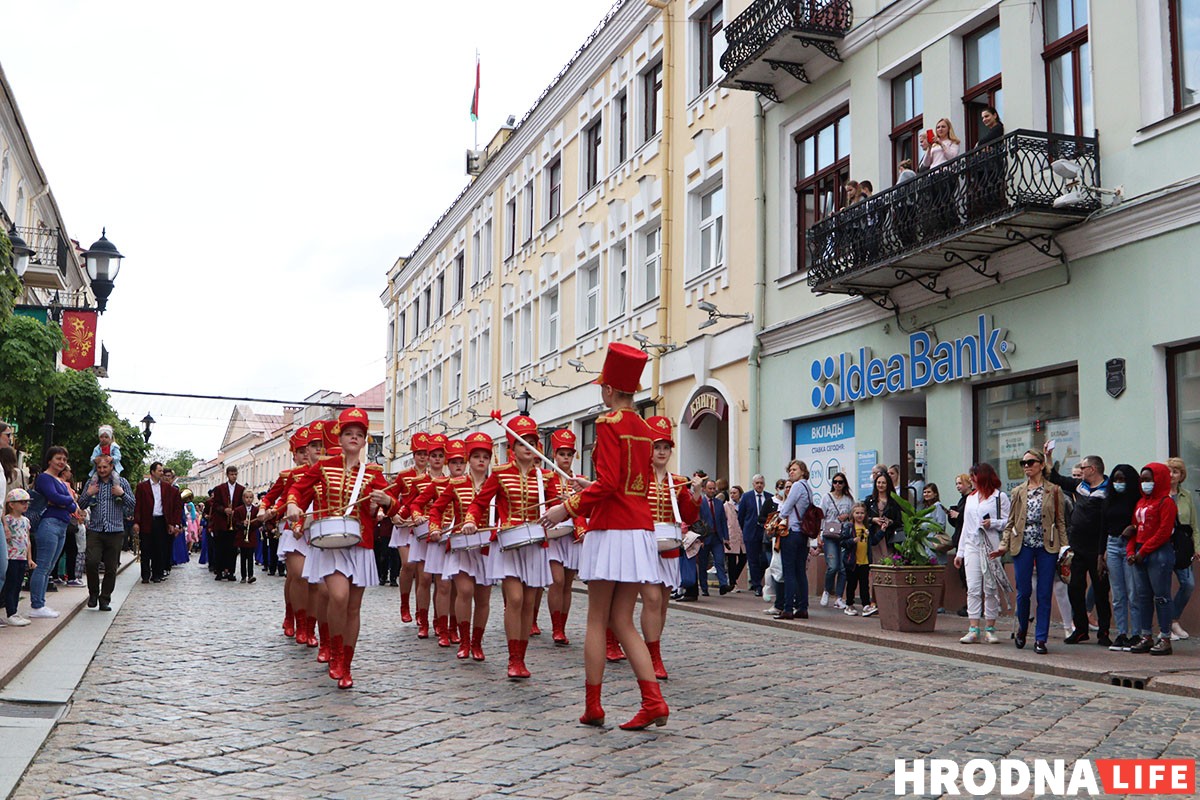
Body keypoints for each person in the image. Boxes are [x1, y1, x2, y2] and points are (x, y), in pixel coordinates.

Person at [542, 342, 668, 730]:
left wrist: (567, 507)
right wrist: (591, 485)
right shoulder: (645, 429)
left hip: (611, 528)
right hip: (637, 528)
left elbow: (611, 482)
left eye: (602, 388)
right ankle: (653, 701)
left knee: (597, 619)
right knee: (623, 620)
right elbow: (626, 482)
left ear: (610, 390)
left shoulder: (608, 423)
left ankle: (594, 706)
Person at [286, 407, 395, 688]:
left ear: (365, 440)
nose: (354, 437)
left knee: (353, 608)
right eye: (349, 433)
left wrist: (386, 502)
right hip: (330, 544)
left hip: (360, 545)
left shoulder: (374, 473)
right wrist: (293, 504)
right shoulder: (324, 466)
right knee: (338, 596)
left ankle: (346, 664)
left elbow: (395, 505)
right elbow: (298, 489)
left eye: (359, 434)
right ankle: (334, 651)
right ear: (340, 437)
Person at [460, 416, 556, 680]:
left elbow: (558, 506)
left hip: (535, 545)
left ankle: (521, 658)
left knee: (528, 603)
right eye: (523, 442)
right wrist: (470, 520)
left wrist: (567, 502)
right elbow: (479, 503)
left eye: (533, 442)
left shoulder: (545, 477)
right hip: (508, 544)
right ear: (513, 447)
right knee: (514, 599)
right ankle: (512, 659)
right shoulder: (501, 474)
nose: (529, 447)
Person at [639, 416, 699, 680]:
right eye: (657, 447)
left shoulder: (678, 481)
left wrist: (696, 494)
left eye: (666, 447)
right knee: (651, 600)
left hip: (669, 548)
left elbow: (689, 515)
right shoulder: (640, 478)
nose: (662, 452)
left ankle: (652, 649)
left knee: (662, 603)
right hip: (643, 546)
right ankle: (652, 656)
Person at [428, 432, 496, 661]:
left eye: (485, 457)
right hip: (460, 546)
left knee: (483, 598)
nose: (481, 461)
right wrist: (435, 528)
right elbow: (436, 508)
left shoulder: (496, 485)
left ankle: (477, 643)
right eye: (476, 456)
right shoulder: (457, 484)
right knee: (465, 591)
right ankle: (464, 641)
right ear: (469, 459)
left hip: (485, 549)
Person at [994, 451, 1066, 655]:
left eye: (1030, 462)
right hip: (1022, 544)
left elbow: (1060, 521)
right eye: (1023, 463)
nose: (1026, 466)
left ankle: (1041, 638)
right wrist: (1003, 545)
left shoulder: (1054, 490)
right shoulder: (1018, 491)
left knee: (1044, 592)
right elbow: (1011, 522)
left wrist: (1065, 547)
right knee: (1024, 591)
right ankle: (1023, 627)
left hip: (1047, 545)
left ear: (1041, 465)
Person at [1045, 444, 1112, 646]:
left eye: (1083, 467)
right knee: (1075, 588)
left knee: (1100, 591)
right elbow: (1055, 478)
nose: (1080, 471)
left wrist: (1105, 549)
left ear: (1092, 469)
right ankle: (1081, 630)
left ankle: (1104, 632)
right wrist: (1049, 457)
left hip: (1098, 548)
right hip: (1077, 546)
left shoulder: (1108, 490)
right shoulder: (1080, 486)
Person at [956, 462, 1009, 644]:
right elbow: (966, 526)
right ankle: (973, 628)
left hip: (991, 545)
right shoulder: (971, 498)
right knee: (973, 588)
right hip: (972, 544)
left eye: (974, 476)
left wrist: (993, 523)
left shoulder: (999, 497)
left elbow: (1009, 521)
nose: (972, 480)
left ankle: (990, 628)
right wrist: (960, 552)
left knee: (990, 587)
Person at [1127, 463, 1177, 655]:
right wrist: (1131, 551)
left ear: (1159, 480)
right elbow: (1134, 528)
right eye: (1142, 480)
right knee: (1143, 597)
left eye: (1148, 480)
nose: (1145, 483)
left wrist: (1144, 551)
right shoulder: (1141, 502)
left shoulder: (1166, 502)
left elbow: (1164, 532)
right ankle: (1146, 635)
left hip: (1158, 553)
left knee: (1162, 596)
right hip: (1140, 552)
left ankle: (1165, 637)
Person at [78, 455, 134, 612]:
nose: (102, 470)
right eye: (99, 467)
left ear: (111, 467)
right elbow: (80, 505)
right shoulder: (92, 483)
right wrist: (88, 493)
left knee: (111, 567)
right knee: (91, 562)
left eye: (105, 467)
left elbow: (133, 505)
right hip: (95, 530)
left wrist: (122, 494)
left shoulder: (121, 482)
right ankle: (93, 594)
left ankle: (105, 599)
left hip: (115, 530)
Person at [544, 428, 583, 645]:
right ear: (554, 455)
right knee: (556, 580)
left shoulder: (580, 481)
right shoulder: (545, 478)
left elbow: (587, 508)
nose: (566, 458)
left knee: (567, 584)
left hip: (571, 534)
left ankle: (562, 627)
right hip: (552, 534)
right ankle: (555, 626)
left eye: (569, 454)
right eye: (562, 454)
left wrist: (575, 499)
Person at [388, 433, 432, 622]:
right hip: (405, 525)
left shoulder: (434, 476)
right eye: (419, 453)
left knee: (423, 572)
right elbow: (391, 496)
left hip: (423, 526)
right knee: (408, 565)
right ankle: (404, 604)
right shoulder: (404, 475)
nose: (422, 457)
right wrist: (392, 514)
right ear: (413, 455)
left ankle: (420, 611)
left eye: (425, 453)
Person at [30, 446, 77, 619]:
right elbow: (56, 497)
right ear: (49, 460)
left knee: (49, 567)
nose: (61, 462)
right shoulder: (44, 478)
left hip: (62, 525)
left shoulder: (59, 480)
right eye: (58, 458)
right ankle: (36, 605)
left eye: (64, 459)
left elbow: (70, 505)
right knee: (43, 566)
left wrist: (65, 501)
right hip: (49, 524)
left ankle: (40, 602)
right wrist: (68, 499)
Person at [1103, 463, 1142, 650]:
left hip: (1129, 545)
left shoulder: (1136, 499)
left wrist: (1133, 528)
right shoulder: (1109, 499)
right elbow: (1102, 528)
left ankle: (1136, 633)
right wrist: (1100, 554)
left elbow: (1142, 523)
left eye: (1123, 479)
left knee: (1133, 592)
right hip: (1112, 544)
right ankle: (1121, 633)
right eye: (1116, 479)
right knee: (1118, 594)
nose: (1119, 483)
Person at [774, 460, 813, 620]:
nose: (791, 472)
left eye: (795, 469)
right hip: (803, 534)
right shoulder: (808, 487)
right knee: (800, 572)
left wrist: (777, 518)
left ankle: (788, 608)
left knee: (789, 571)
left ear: (803, 471)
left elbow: (786, 509)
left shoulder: (797, 486)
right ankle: (803, 607)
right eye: (790, 470)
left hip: (792, 532)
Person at [134, 462, 182, 586]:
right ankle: (145, 575)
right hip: (147, 520)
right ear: (152, 472)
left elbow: (172, 506)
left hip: (161, 521)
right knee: (145, 549)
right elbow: (138, 505)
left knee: (159, 549)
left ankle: (157, 574)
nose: (162, 473)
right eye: (159, 471)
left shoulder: (166, 487)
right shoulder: (142, 487)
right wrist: (136, 522)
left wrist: (172, 523)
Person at [1167, 457, 1198, 640]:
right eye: (1169, 471)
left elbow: (1194, 525)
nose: (1171, 475)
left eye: (1175, 471)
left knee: (1188, 584)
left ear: (1181, 475)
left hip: (1182, 547)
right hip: (1164, 546)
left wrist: (1197, 546)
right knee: (1163, 587)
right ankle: (1166, 626)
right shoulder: (1160, 494)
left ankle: (1174, 619)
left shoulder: (1186, 495)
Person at [820, 472, 854, 609]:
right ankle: (827, 591)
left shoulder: (848, 499)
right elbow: (821, 516)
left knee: (843, 568)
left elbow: (854, 515)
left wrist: (847, 516)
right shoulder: (827, 497)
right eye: (835, 482)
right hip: (829, 535)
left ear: (844, 484)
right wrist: (818, 535)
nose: (837, 484)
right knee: (832, 566)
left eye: (840, 482)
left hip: (844, 535)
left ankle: (839, 597)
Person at [842, 503, 880, 616]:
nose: (859, 515)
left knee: (864, 585)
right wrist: (852, 541)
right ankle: (849, 604)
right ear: (852, 514)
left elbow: (873, 541)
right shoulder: (849, 527)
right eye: (857, 513)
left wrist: (882, 531)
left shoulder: (866, 527)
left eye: (862, 513)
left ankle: (866, 605)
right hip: (852, 561)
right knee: (851, 584)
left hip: (864, 561)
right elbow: (842, 542)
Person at [208, 466, 245, 582]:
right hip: (221, 523)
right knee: (220, 548)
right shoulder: (219, 488)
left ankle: (231, 572)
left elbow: (242, 505)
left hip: (234, 523)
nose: (234, 476)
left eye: (235, 474)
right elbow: (215, 504)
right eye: (231, 474)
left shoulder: (241, 489)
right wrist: (224, 509)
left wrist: (235, 511)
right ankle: (219, 571)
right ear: (227, 475)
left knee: (232, 549)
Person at [2, 489, 33, 626]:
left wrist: (29, 558)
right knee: (11, 585)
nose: (25, 505)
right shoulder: (8, 520)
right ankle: (11, 612)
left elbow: (28, 540)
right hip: (11, 557)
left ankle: (14, 611)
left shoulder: (26, 520)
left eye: (27, 502)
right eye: (22, 502)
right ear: (11, 504)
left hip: (22, 557)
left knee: (18, 585)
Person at [737, 475, 771, 596]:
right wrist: (746, 529)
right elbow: (741, 516)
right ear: (753, 484)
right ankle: (757, 585)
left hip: (766, 533)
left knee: (765, 559)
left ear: (764, 484)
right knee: (753, 560)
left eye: (761, 483)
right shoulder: (746, 497)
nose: (759, 485)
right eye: (757, 483)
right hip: (751, 533)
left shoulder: (769, 497)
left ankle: (757, 579)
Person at [695, 479, 730, 596]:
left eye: (714, 488)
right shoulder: (700, 502)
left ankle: (723, 585)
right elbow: (698, 521)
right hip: (704, 538)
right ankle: (704, 588)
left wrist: (726, 537)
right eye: (710, 488)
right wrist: (700, 538)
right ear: (704, 489)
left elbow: (723, 520)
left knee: (719, 561)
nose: (712, 491)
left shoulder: (719, 503)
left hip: (717, 537)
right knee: (703, 564)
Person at [866, 472, 902, 556]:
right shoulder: (869, 500)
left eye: (883, 483)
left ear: (888, 484)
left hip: (889, 535)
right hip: (874, 534)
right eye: (878, 482)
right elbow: (862, 517)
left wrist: (890, 522)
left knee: (889, 557)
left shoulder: (894, 501)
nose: (880, 485)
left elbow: (899, 520)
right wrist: (873, 519)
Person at [233, 488, 261, 583]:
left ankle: (251, 575)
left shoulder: (256, 510)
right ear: (243, 498)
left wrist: (251, 524)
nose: (248, 500)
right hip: (242, 535)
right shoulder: (238, 510)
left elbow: (259, 522)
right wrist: (242, 523)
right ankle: (243, 576)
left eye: (250, 497)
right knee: (243, 557)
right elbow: (235, 522)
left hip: (251, 535)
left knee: (250, 556)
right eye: (247, 497)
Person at [724, 485, 746, 590]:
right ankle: (732, 583)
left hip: (742, 535)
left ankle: (734, 578)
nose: (732, 495)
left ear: (740, 494)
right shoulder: (726, 506)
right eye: (731, 493)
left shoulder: (744, 505)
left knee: (743, 558)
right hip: (731, 535)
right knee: (731, 560)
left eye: (735, 493)